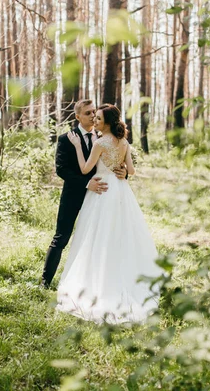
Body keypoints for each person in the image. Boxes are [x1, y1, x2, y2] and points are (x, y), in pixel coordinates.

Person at [56, 104, 163, 324]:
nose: (95, 120)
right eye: (93, 117)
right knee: (122, 233)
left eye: (98, 119)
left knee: (98, 235)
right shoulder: (124, 142)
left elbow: (86, 169)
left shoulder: (99, 142)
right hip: (121, 190)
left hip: (101, 191)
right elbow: (131, 171)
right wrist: (122, 168)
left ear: (106, 123)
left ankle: (99, 279)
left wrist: (78, 147)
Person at [41, 100, 126, 289]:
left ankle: (93, 282)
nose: (92, 116)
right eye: (87, 113)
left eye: (94, 112)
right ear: (77, 116)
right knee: (61, 237)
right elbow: (62, 170)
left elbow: (115, 161)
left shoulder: (104, 136)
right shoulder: (66, 138)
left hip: (100, 196)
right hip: (74, 194)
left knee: (98, 238)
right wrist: (87, 184)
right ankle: (45, 281)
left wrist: (124, 171)